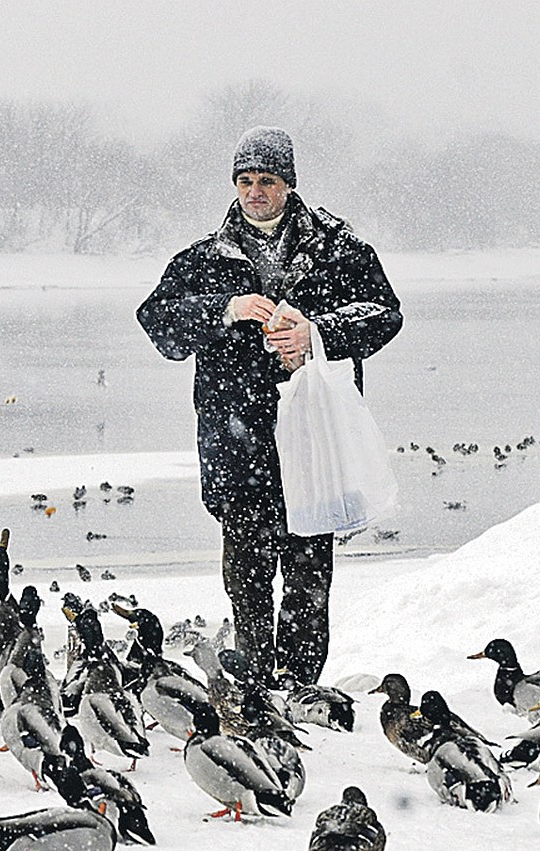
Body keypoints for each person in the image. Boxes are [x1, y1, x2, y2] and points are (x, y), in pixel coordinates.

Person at [136, 125, 402, 688]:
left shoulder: (338, 250)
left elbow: (385, 313)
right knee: (247, 572)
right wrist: (224, 310)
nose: (255, 191)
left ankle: (300, 685)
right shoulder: (204, 259)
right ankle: (255, 683)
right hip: (236, 439)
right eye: (245, 180)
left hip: (314, 436)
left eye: (268, 180)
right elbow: (159, 325)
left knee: (310, 570)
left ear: (289, 184)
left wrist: (318, 333)